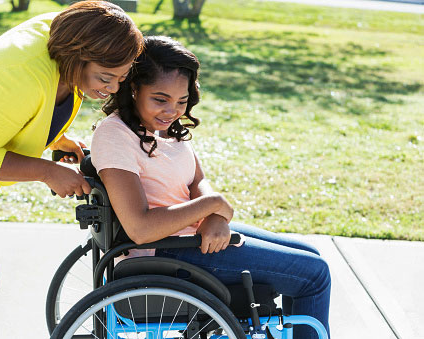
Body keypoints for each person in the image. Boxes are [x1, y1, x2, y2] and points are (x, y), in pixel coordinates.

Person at [0, 1, 143, 338]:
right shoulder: (24, 76)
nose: (111, 88)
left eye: (121, 79)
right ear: (76, 56)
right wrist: (47, 172)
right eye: (105, 78)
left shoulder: (63, 36)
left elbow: (8, 109)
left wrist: (54, 138)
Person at [90, 36, 331, 339]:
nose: (172, 111)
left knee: (309, 253)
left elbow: (196, 181)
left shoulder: (164, 131)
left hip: (190, 236)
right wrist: (212, 205)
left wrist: (216, 216)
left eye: (182, 101)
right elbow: (139, 228)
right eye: (160, 99)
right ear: (134, 87)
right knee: (314, 275)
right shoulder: (116, 135)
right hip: (167, 252)